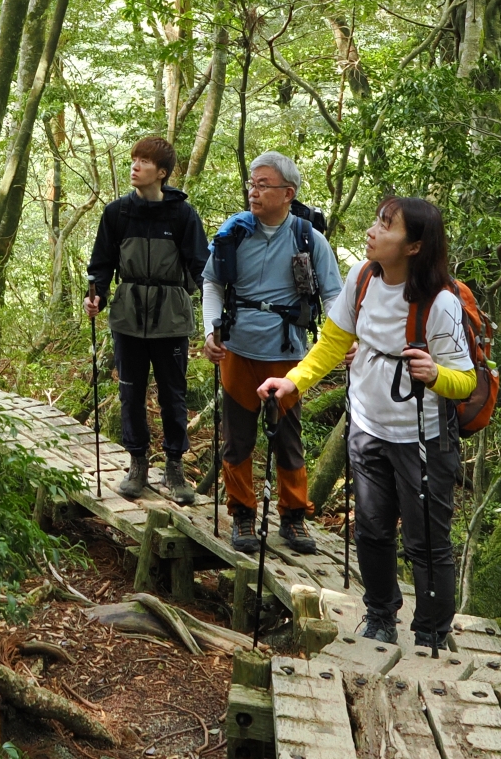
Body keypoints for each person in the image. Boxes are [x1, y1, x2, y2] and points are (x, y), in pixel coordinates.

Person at [257, 196, 474, 650]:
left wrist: (436, 375)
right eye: (377, 220)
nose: (373, 231)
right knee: (372, 529)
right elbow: (332, 343)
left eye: (386, 226)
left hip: (423, 439)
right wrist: (292, 383)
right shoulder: (362, 278)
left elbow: (466, 381)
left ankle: (432, 631)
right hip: (367, 427)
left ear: (414, 247)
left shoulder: (441, 303)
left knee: (426, 539)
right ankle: (380, 614)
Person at [202, 152, 342, 554]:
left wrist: (343, 340)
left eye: (263, 184)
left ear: (288, 193)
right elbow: (212, 284)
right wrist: (211, 331)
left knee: (288, 438)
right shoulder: (234, 234)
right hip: (237, 351)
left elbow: (333, 295)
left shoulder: (308, 238)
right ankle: (243, 514)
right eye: (252, 183)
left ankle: (294, 516)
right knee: (238, 437)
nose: (254, 191)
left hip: (286, 353)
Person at [84, 136, 209, 503]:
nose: (135, 166)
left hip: (171, 316)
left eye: (144, 161)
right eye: (133, 159)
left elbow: (201, 267)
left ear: (163, 173)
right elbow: (101, 264)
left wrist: (219, 313)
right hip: (128, 314)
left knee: (173, 395)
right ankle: (137, 464)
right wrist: (97, 297)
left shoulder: (182, 215)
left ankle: (174, 467)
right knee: (130, 392)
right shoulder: (117, 213)